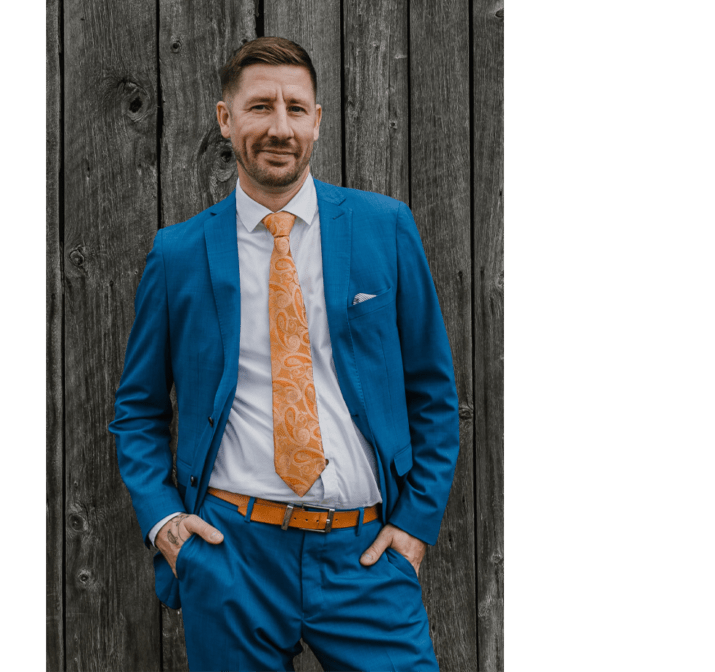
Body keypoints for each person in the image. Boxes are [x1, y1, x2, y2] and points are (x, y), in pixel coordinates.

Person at [110, 36, 459, 671]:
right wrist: (166, 524)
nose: (280, 127)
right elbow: (137, 409)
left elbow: (433, 393)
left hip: (365, 558)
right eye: (260, 107)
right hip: (232, 556)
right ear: (225, 118)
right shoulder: (178, 253)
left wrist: (414, 524)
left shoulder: (385, 228)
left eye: (296, 108)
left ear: (317, 121)